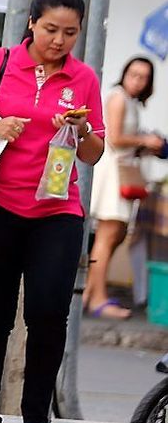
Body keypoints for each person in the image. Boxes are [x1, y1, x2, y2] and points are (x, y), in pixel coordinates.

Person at [0, 0, 106, 423]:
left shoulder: (84, 80)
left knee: (49, 313)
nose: (59, 40)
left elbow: (94, 153)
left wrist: (84, 127)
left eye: (70, 33)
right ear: (32, 22)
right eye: (51, 29)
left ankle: (36, 420)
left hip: (57, 212)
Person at [86, 56, 163, 319]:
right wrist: (146, 139)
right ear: (124, 73)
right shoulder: (118, 98)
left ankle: (91, 293)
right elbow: (115, 137)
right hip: (113, 174)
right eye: (134, 74)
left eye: (143, 77)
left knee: (114, 236)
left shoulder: (129, 102)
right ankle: (97, 298)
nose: (138, 81)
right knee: (108, 236)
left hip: (122, 171)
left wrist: (144, 145)